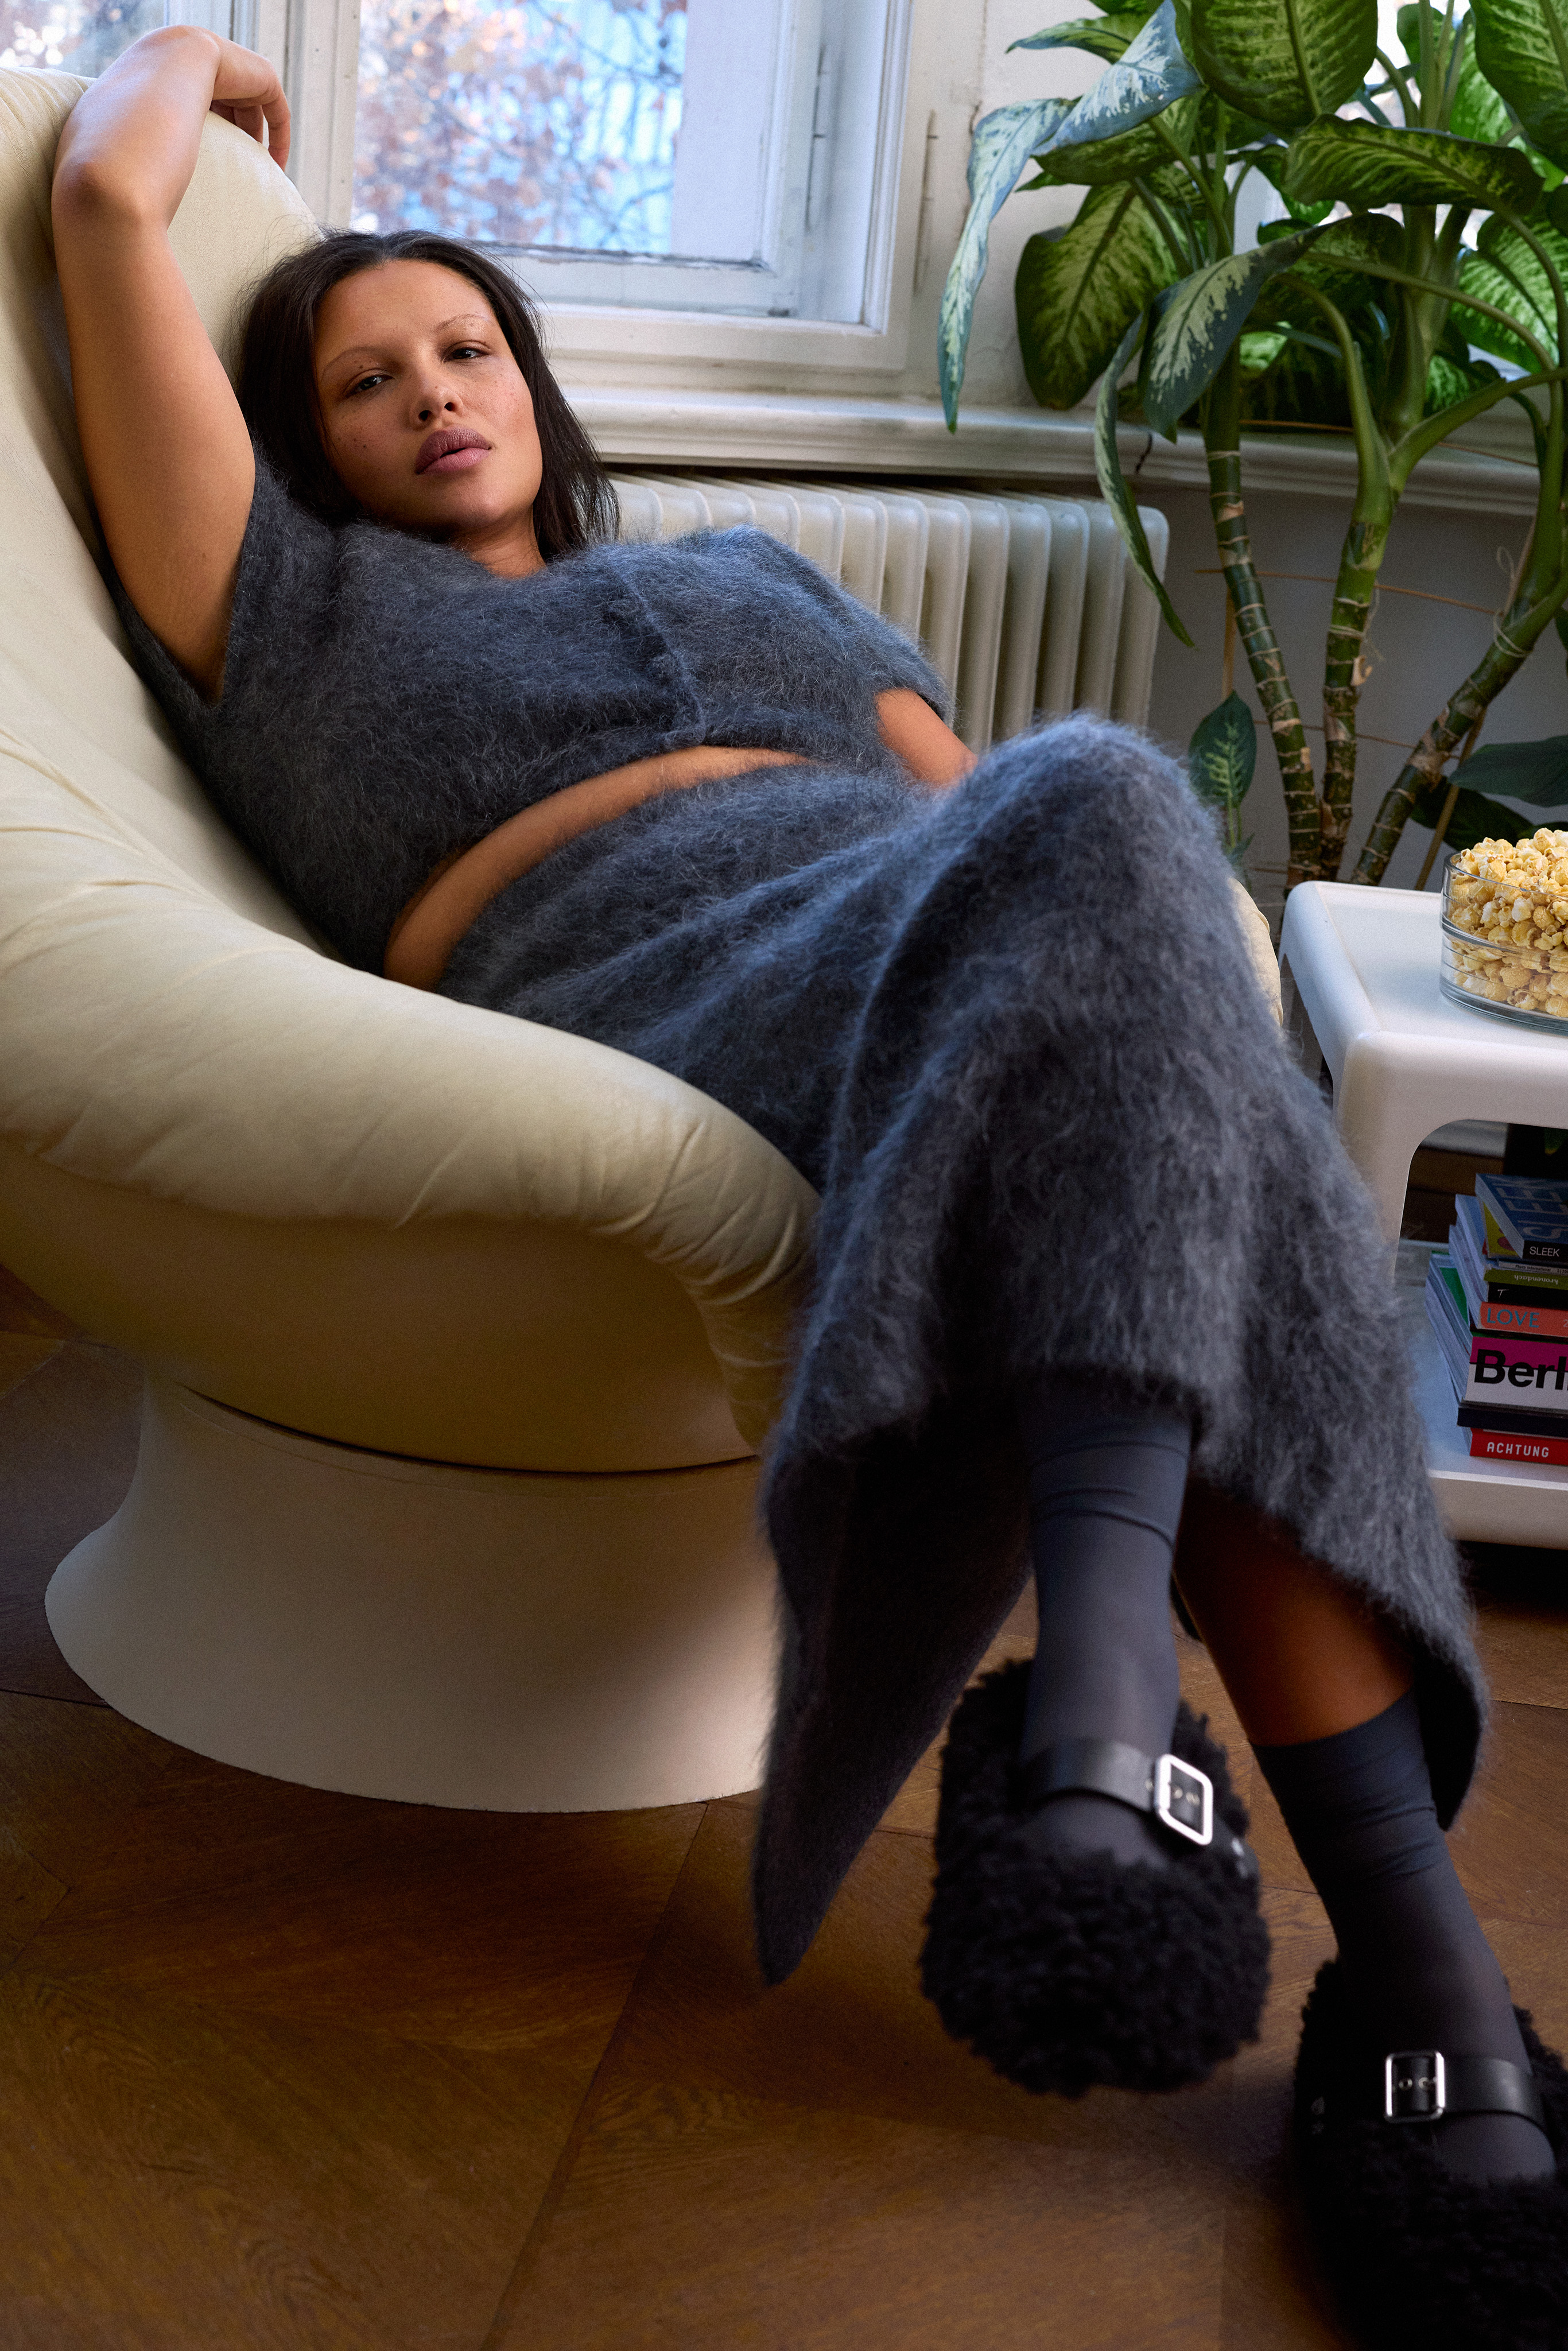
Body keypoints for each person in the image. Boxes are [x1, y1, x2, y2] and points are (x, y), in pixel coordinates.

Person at [50, 29, 1566, 2346]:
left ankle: (1115, 1748)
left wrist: (1088, 927)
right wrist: (192, 54)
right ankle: (1393, 1951)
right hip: (634, 963)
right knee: (1111, 839)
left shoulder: (765, 575)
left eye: (466, 348)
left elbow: (1013, 838)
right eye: (366, 379)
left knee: (1112, 856)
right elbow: (99, 203)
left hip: (934, 924)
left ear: (534, 384)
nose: (435, 393)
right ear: (302, 437)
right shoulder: (284, 612)